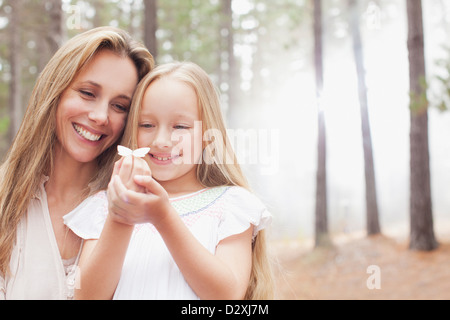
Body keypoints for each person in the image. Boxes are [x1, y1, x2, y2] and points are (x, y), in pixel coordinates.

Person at [73, 61, 274, 300]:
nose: (161, 141)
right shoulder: (104, 205)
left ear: (208, 135)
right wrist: (121, 216)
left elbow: (227, 295)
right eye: (147, 125)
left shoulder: (230, 205)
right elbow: (87, 296)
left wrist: (164, 217)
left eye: (180, 126)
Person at [0, 26, 154, 300]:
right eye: (87, 93)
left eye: (119, 106)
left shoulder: (142, 210)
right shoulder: (5, 196)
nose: (100, 116)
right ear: (55, 91)